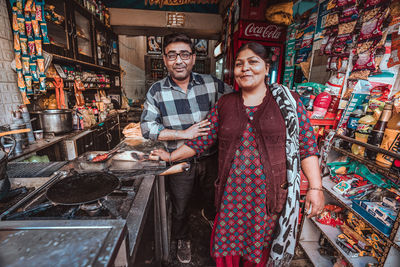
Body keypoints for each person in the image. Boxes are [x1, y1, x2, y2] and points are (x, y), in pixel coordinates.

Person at [151, 42, 325, 267]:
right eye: (239, 64)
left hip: (268, 198)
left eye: (253, 62)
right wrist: (170, 157)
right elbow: (203, 139)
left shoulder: (287, 101)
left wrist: (315, 187)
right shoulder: (226, 103)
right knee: (227, 251)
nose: (245, 68)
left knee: (261, 251)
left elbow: (306, 145)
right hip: (231, 198)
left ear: (266, 67)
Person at [140, 33, 232, 264]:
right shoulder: (157, 91)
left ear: (193, 58)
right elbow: (146, 127)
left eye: (184, 54)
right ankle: (183, 239)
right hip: (179, 161)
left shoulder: (212, 84)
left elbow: (238, 103)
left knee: (214, 200)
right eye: (172, 55)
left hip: (212, 159)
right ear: (164, 59)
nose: (178, 60)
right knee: (180, 207)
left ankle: (215, 234)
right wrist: (183, 133)